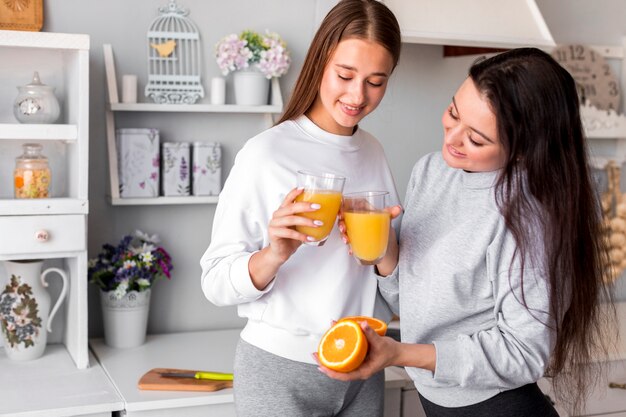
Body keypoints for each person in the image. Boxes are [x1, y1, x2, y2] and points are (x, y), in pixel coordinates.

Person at [318, 48, 615, 416]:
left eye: (476, 139)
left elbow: (525, 352)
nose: (452, 139)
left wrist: (402, 353)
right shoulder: (431, 171)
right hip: (438, 401)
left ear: (524, 151)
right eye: (453, 113)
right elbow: (409, 304)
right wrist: (386, 252)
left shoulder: (525, 217)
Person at [200, 0, 402, 415]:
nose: (357, 95)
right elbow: (215, 281)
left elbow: (390, 280)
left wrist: (388, 252)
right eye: (345, 75)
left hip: (361, 363)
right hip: (280, 370)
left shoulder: (373, 152)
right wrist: (273, 254)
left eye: (376, 81)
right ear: (319, 62)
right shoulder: (266, 153)